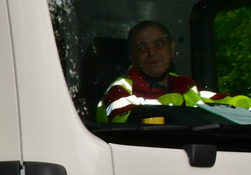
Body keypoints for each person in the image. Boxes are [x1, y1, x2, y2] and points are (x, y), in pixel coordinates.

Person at [97, 20, 251, 122]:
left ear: (172, 49)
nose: (152, 53)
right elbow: (130, 127)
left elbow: (231, 104)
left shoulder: (186, 87)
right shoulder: (119, 90)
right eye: (142, 48)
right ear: (132, 57)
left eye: (159, 44)